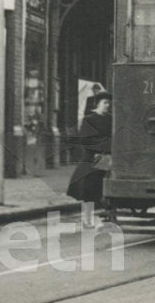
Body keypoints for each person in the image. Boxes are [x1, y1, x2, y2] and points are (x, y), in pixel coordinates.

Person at [67, 91, 112, 226]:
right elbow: (85, 139)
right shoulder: (89, 119)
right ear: (97, 104)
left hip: (106, 157)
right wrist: (102, 146)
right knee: (89, 190)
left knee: (103, 188)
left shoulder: (111, 119)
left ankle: (108, 215)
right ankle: (87, 219)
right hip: (92, 157)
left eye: (109, 103)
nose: (107, 106)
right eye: (105, 103)